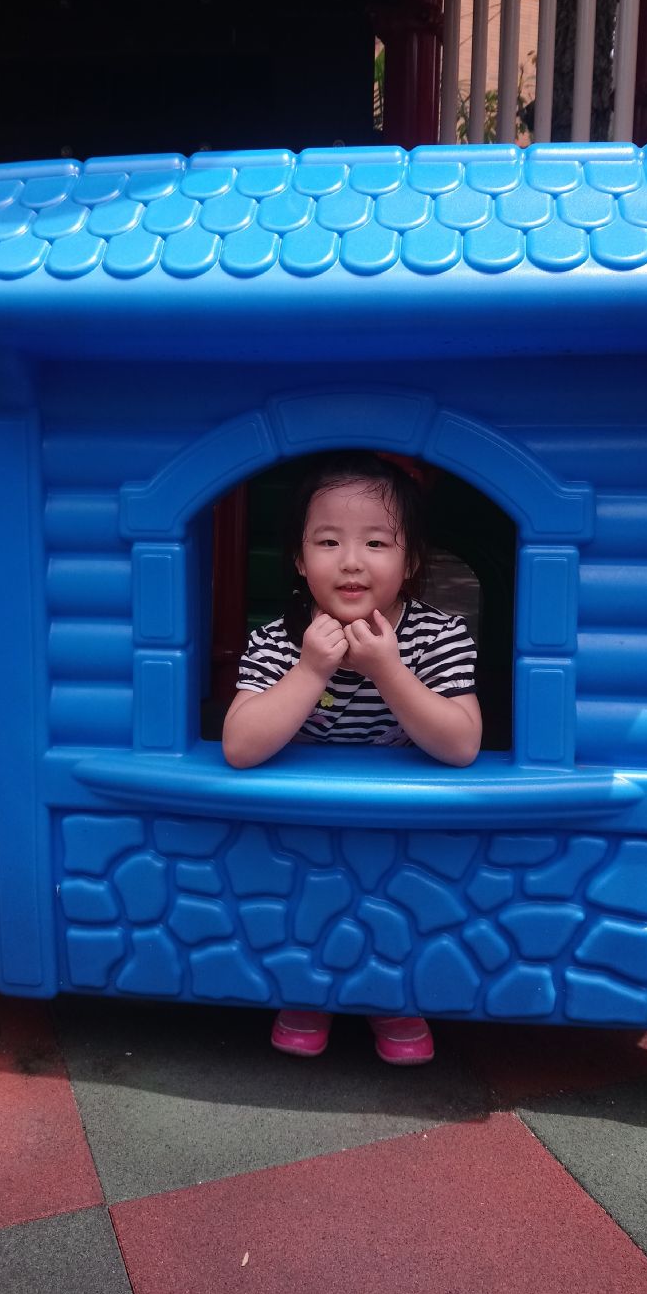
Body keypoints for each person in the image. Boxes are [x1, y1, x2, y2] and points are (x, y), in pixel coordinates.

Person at [222, 451, 482, 1065]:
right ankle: (306, 992)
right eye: (328, 541)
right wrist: (311, 670)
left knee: (397, 907)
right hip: (306, 820)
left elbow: (461, 744)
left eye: (376, 542)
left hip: (399, 820)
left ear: (410, 560)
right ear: (299, 558)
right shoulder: (279, 640)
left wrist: (388, 670)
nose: (351, 561)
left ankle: (395, 998)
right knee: (307, 903)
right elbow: (239, 746)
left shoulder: (438, 636)